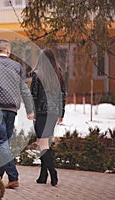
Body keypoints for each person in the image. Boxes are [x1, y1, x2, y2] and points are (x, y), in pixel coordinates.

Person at [0, 39, 34, 189]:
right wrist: (30, 110)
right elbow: (24, 89)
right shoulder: (17, 66)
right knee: (4, 143)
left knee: (2, 143)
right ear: (8, 51)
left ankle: (13, 177)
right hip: (11, 109)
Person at [30, 48, 66, 186]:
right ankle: (42, 175)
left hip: (41, 113)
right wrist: (61, 113)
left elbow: (33, 95)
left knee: (42, 144)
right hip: (53, 113)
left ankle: (52, 172)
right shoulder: (59, 74)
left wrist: (30, 111)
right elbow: (63, 95)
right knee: (44, 143)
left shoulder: (37, 75)